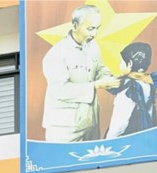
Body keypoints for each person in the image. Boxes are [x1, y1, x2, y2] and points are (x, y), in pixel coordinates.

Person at [41, 4, 121, 142]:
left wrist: (111, 79)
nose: (94, 34)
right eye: (90, 29)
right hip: (64, 128)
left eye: (97, 28)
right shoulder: (56, 54)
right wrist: (96, 85)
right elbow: (60, 90)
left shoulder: (93, 45)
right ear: (75, 26)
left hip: (90, 122)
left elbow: (100, 69)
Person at [105, 42, 157, 138]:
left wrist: (108, 140)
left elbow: (119, 124)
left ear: (130, 63)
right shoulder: (147, 83)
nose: (120, 65)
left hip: (127, 137)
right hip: (144, 135)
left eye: (121, 62)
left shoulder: (128, 87)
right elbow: (150, 114)